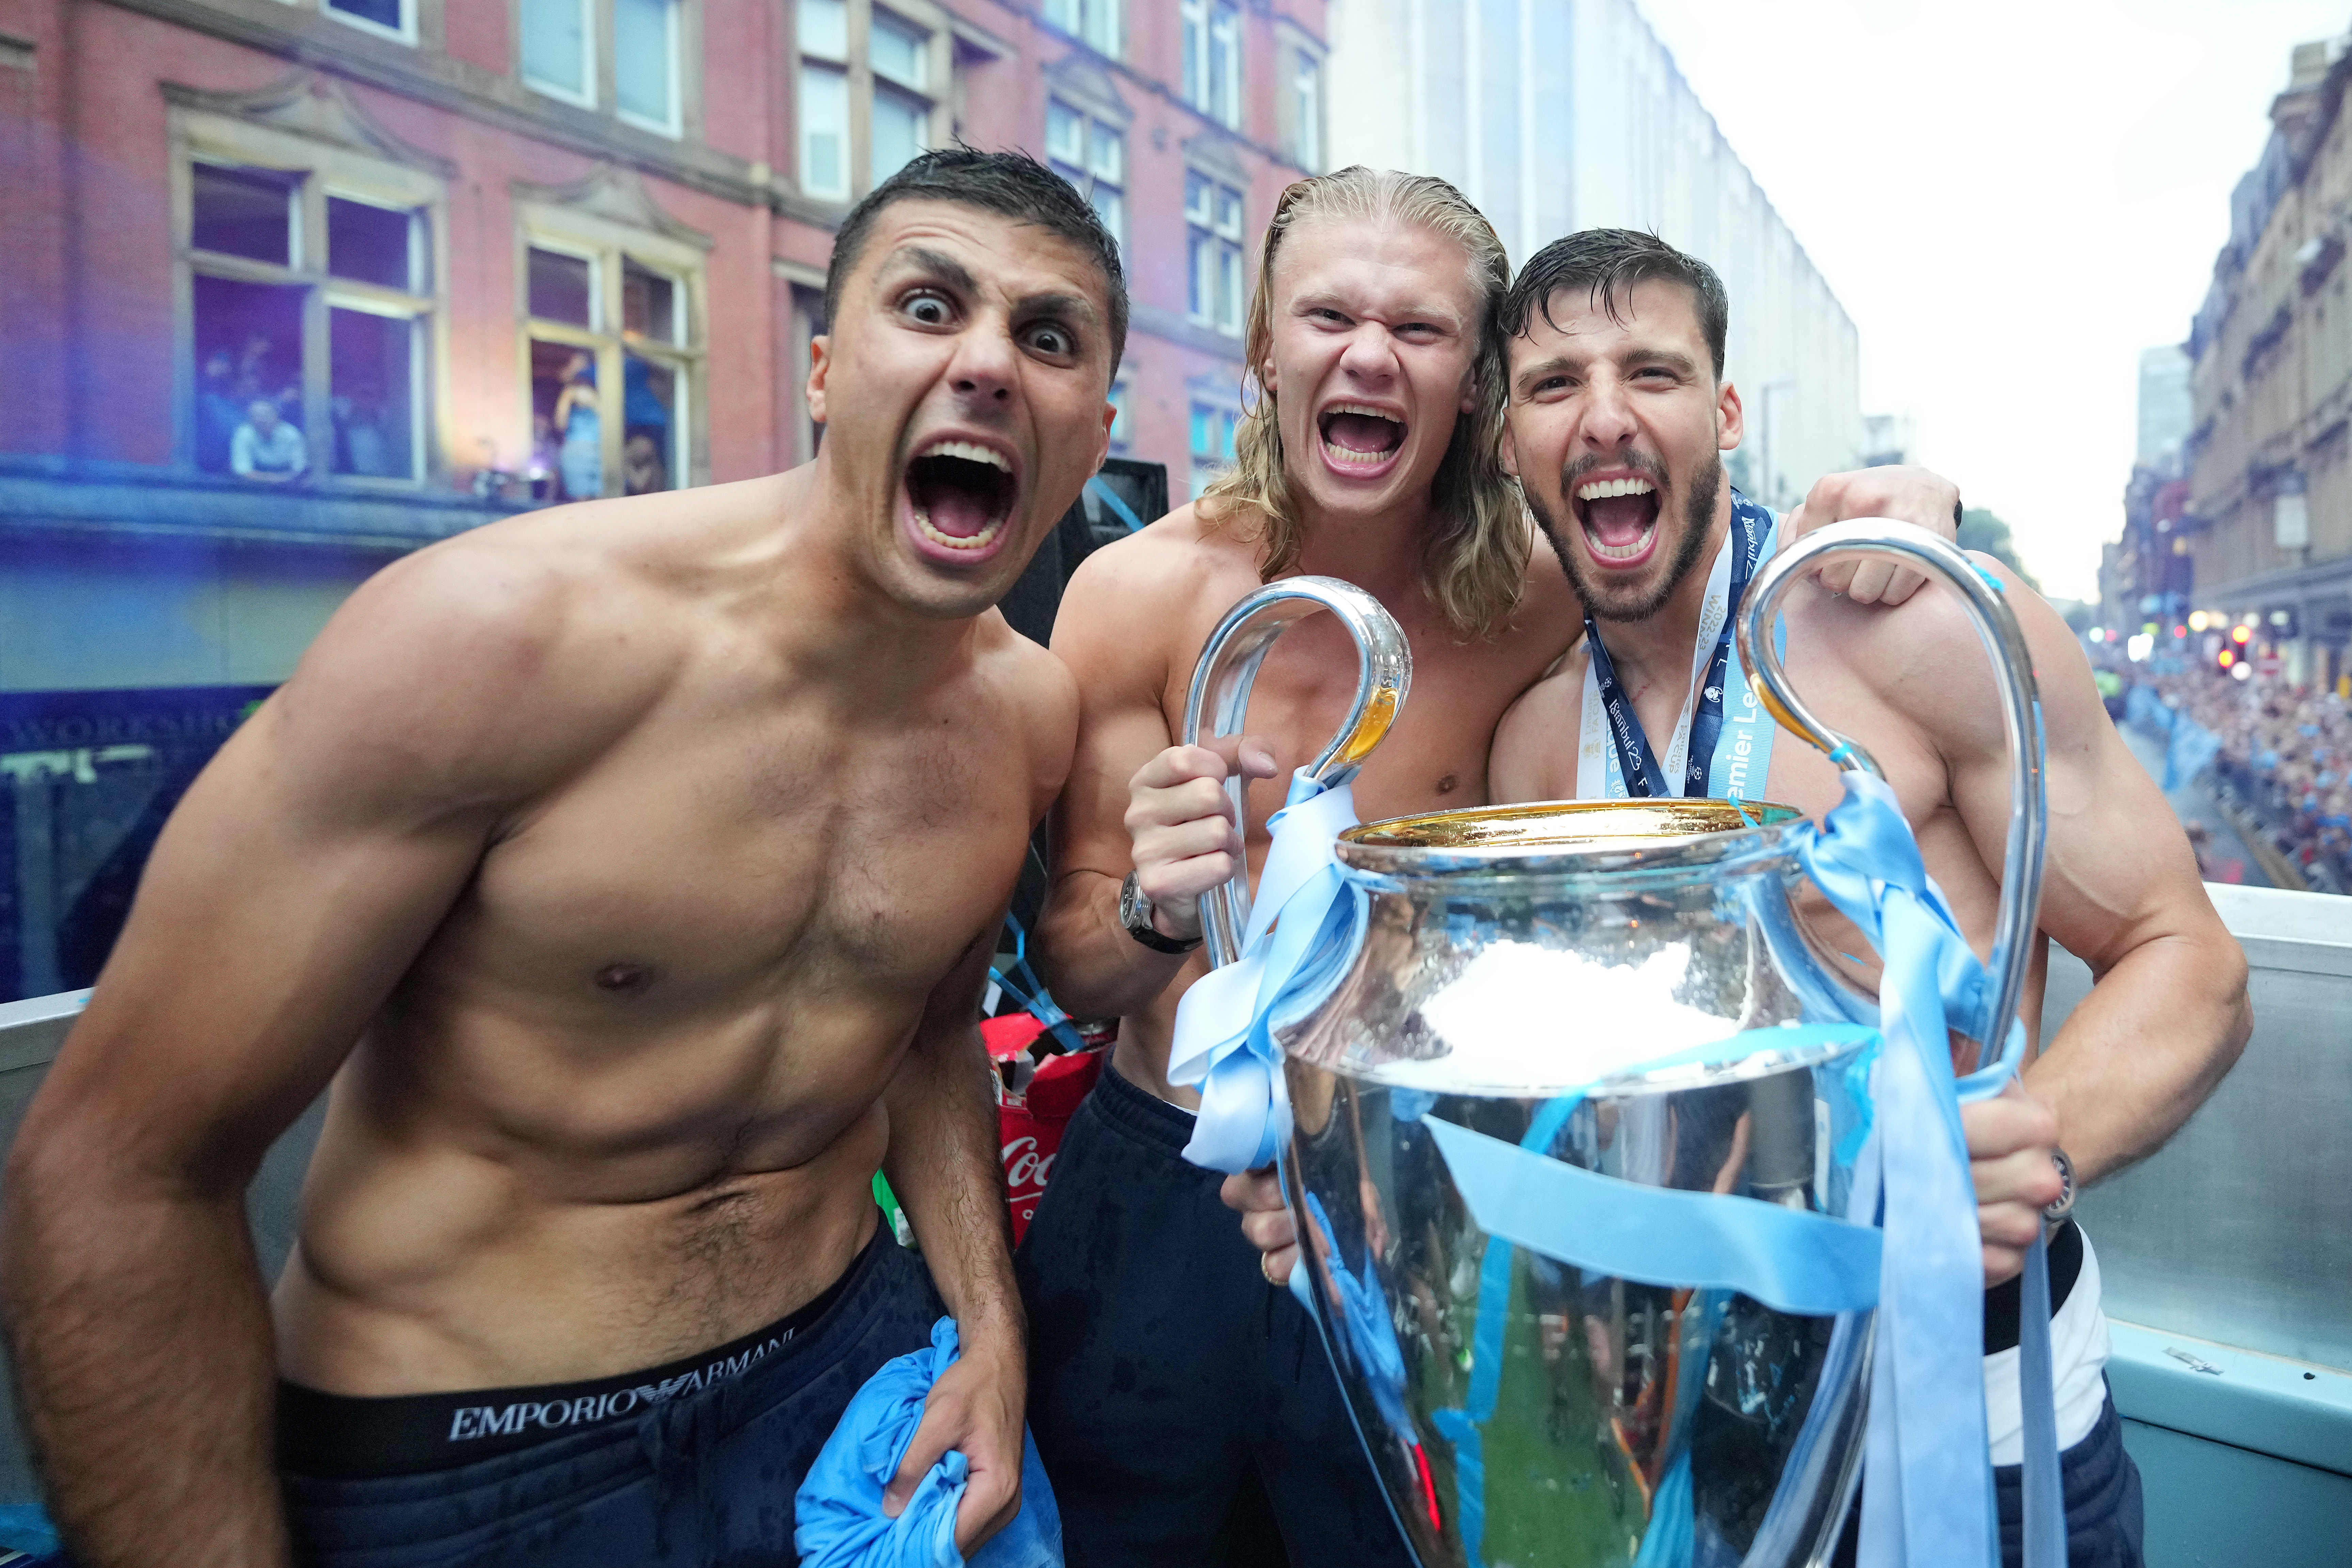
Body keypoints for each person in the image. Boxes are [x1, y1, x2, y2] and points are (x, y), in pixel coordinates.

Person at [0, 146, 1123, 1568]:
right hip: (474, 1462)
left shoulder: (1026, 713)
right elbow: (120, 1172)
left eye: (1047, 337)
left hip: (847, 1389)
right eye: (928, 305)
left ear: (1090, 430)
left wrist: (989, 1334)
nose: (986, 365)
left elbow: (932, 1039)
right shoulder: (494, 640)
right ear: (825, 370)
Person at [1239, 228, 2250, 1564]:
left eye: (1649, 371)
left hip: (1966, 1406)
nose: (1603, 414)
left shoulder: (1916, 626)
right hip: (1693, 1443)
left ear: (1720, 412)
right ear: (1506, 442)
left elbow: (2189, 961)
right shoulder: (1537, 740)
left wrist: (2027, 1152)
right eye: (1551, 386)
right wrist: (1343, 1192)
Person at [1026, 169, 1965, 1568]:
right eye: (1328, 315)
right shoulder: (1138, 593)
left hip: (1420, 1190)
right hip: (1166, 1195)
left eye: (1417, 329)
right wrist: (1160, 904)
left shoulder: (1536, 594)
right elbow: (1070, 962)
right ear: (1261, 350)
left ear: (1471, 383)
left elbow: (1706, 547)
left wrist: (1917, 506)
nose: (1365, 354)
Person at [552, 351, 603, 501]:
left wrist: (594, 402)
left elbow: (611, 422)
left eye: (582, 365)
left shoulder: (601, 390)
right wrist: (567, 398)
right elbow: (560, 425)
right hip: (576, 450)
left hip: (601, 450)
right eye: (574, 365)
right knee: (581, 501)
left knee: (604, 500)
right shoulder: (568, 393)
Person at [231, 396, 309, 482]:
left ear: (277, 416)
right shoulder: (244, 433)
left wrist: (281, 480)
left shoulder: (292, 435)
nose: (261, 419)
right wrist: (272, 479)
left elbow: (299, 470)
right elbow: (242, 471)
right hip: (253, 487)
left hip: (289, 488)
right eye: (256, 415)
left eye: (266, 414)